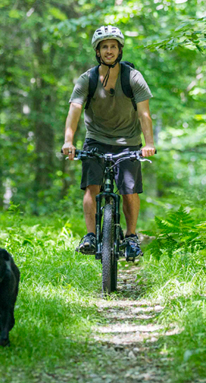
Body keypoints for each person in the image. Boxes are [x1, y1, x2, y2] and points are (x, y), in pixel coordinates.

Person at [62, 25, 156, 257]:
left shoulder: (133, 77)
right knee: (91, 188)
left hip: (128, 141)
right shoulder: (88, 79)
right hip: (96, 140)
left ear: (120, 50)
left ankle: (131, 237)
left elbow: (145, 114)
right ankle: (91, 235)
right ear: (98, 51)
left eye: (113, 46)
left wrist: (148, 143)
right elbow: (75, 110)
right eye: (104, 47)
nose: (109, 51)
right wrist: (69, 142)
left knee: (129, 191)